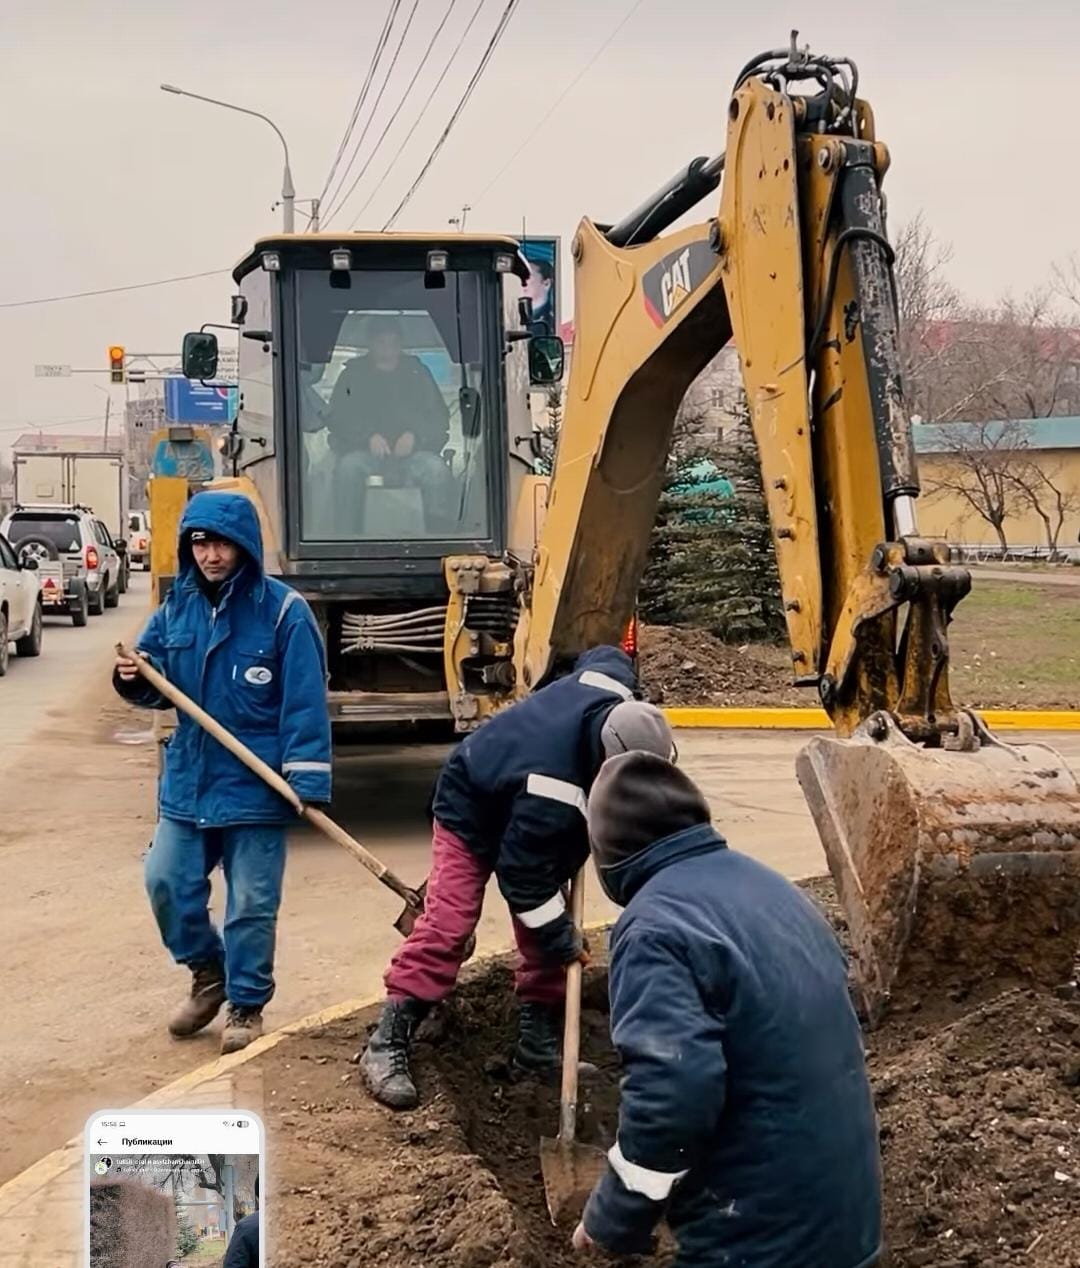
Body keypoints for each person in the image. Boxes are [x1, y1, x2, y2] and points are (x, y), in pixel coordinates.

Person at [572, 751, 882, 1267]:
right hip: (848, 1223)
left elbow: (671, 1097)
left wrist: (612, 1220)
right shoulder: (775, 890)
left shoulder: (656, 927)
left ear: (609, 855)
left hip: (762, 1242)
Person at [360, 646, 675, 1110]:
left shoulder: (614, 689)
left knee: (548, 930)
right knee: (452, 924)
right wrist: (562, 940)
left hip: (522, 787)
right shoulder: (555, 795)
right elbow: (524, 882)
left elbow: (605, 654)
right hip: (470, 804)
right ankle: (387, 1041)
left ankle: (535, 1047)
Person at [114, 491, 332, 1054]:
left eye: (223, 544)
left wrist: (305, 783)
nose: (212, 555)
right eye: (202, 543)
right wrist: (131, 675)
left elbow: (305, 704)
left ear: (246, 547)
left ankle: (246, 1003)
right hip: (190, 782)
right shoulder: (175, 610)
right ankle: (208, 973)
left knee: (252, 905)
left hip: (256, 786)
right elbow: (150, 679)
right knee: (166, 881)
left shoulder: (285, 613)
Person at [326, 315, 454, 533]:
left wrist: (415, 436)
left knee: (437, 471)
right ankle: (348, 539)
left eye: (393, 342)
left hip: (414, 456)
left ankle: (440, 541)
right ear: (371, 344)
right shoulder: (352, 375)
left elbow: (439, 419)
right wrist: (367, 437)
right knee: (348, 469)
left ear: (400, 344)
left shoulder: (418, 374)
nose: (387, 348)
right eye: (381, 342)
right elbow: (337, 418)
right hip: (364, 455)